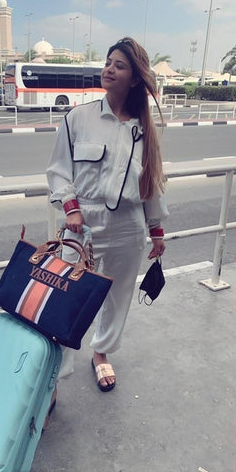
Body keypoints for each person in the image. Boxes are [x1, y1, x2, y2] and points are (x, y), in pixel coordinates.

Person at [46, 36, 168, 393]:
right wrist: (70, 208)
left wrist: (156, 230)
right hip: (81, 227)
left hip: (128, 228)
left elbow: (151, 183)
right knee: (67, 296)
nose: (109, 69)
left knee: (117, 297)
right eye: (108, 62)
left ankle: (101, 352)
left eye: (119, 65)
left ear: (134, 78)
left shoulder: (143, 129)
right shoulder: (78, 118)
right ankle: (53, 376)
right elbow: (58, 170)